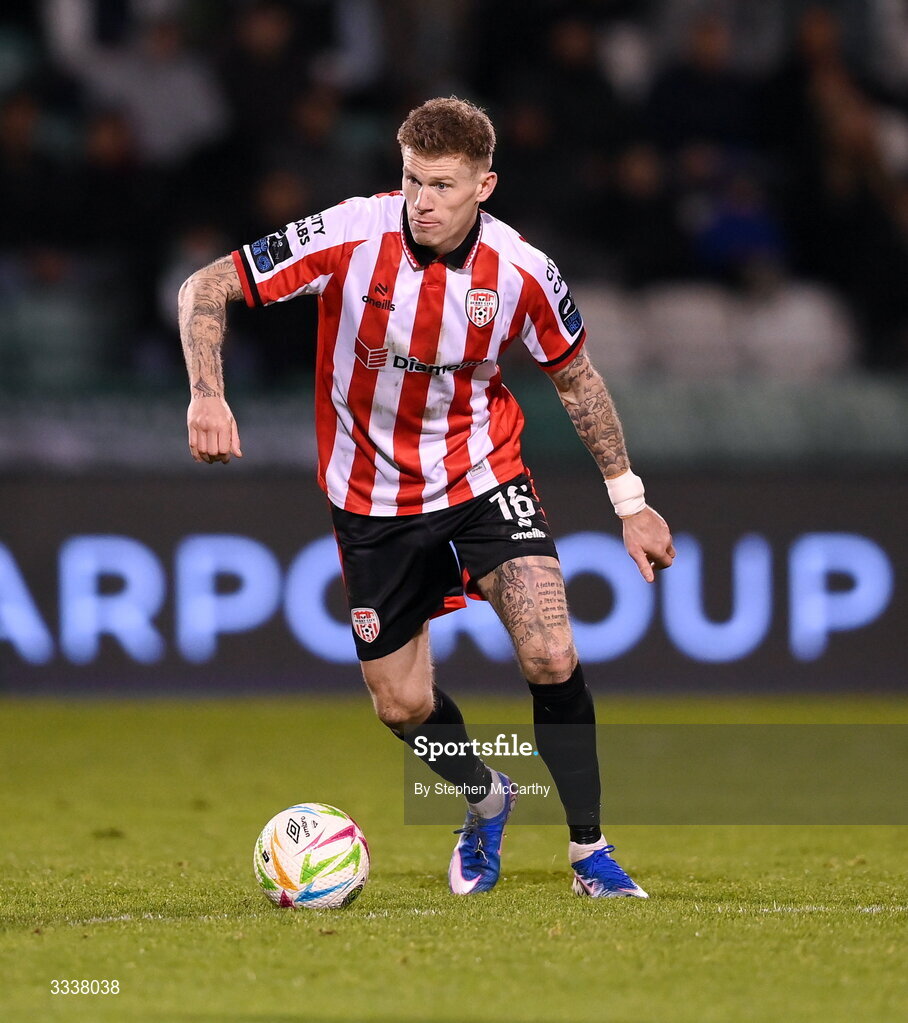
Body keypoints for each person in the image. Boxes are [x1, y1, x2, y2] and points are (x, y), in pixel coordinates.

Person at [178, 97, 675, 898]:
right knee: (400, 702)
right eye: (412, 180)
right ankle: (486, 800)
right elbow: (206, 286)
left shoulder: (523, 272)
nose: (423, 201)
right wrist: (208, 394)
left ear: (485, 185)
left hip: (484, 477)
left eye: (443, 185)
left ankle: (590, 851)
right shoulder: (348, 235)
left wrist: (629, 499)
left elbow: (575, 379)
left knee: (551, 650)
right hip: (370, 499)